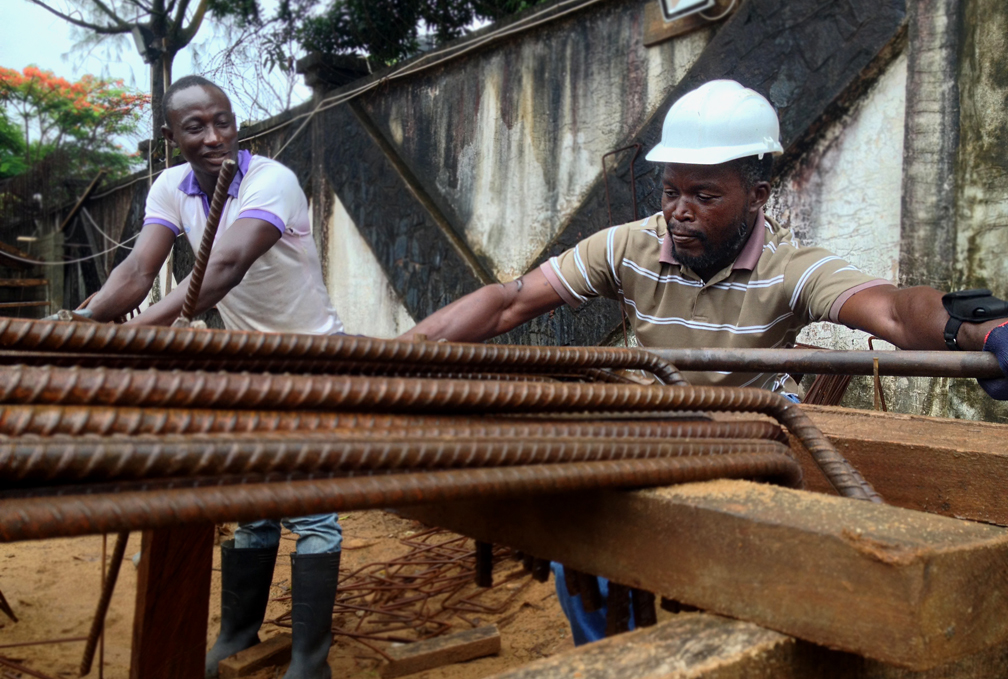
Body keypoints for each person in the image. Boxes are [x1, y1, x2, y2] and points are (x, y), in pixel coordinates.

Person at [398, 80, 1008, 645]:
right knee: (583, 558)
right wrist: (403, 359)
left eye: (704, 194)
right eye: (670, 190)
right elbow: (509, 302)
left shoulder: (791, 270)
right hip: (658, 423)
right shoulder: (624, 248)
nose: (679, 210)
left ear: (757, 194)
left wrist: (981, 328)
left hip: (752, 435)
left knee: (757, 577)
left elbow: (898, 314)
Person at [83, 75, 343, 678]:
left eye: (222, 121)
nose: (213, 137)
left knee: (311, 509)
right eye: (195, 127)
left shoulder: (268, 180)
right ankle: (236, 635)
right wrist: (83, 321)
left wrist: (138, 334)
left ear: (236, 123)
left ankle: (310, 661)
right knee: (250, 502)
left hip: (311, 363)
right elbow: (137, 271)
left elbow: (221, 268)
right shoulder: (171, 186)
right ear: (171, 138)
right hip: (244, 365)